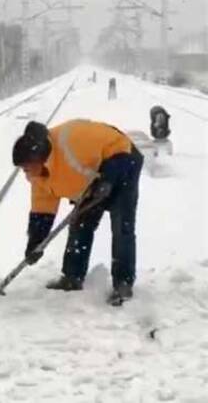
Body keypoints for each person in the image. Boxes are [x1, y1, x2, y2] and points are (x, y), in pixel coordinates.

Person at [12, 119, 143, 304]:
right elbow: (42, 211)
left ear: (38, 158)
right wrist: (35, 242)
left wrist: (107, 178)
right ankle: (72, 277)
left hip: (122, 162)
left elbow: (120, 146)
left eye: (26, 168)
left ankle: (123, 283)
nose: (25, 173)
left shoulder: (72, 142)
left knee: (122, 226)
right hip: (91, 183)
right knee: (80, 224)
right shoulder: (38, 176)